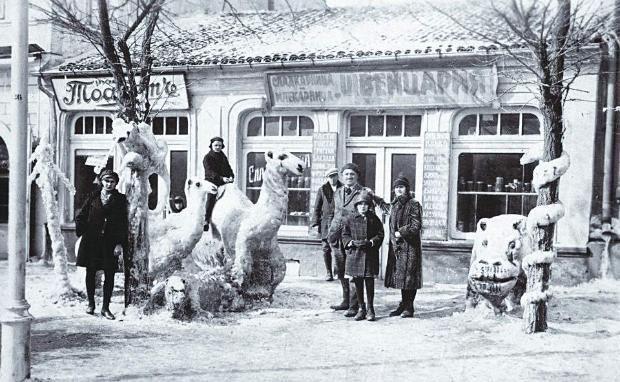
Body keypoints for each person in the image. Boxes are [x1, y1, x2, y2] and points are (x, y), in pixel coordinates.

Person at [327, 162, 387, 317]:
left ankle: (355, 306)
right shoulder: (338, 191)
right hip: (336, 236)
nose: (349, 177)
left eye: (352, 174)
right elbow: (333, 212)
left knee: (355, 272)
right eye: (346, 174)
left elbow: (370, 218)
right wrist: (329, 229)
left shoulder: (364, 193)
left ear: (357, 176)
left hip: (355, 238)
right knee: (341, 270)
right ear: (342, 176)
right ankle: (346, 300)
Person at [75, 169, 128, 320]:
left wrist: (119, 243)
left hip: (110, 243)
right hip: (92, 241)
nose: (109, 184)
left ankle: (105, 307)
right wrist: (83, 232)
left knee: (109, 275)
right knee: (90, 273)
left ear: (116, 183)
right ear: (102, 182)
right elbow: (81, 216)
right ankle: (91, 304)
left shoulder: (120, 199)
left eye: (112, 181)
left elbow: (123, 223)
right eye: (106, 181)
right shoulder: (93, 197)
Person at [341, 191, 384, 321]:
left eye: (366, 204)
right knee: (357, 281)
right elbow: (345, 234)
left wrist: (372, 242)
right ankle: (361, 308)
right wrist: (350, 243)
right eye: (360, 204)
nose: (363, 207)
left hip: (369, 254)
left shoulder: (373, 218)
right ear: (356, 206)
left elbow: (380, 234)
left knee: (369, 281)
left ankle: (371, 309)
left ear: (369, 206)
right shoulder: (350, 219)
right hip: (355, 254)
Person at [384, 175, 423, 318]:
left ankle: (409, 307)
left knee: (410, 277)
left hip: (410, 246)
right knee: (401, 277)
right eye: (396, 187)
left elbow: (416, 225)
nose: (398, 190)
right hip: (398, 247)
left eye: (401, 187)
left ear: (407, 189)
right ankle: (403, 304)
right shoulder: (394, 205)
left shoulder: (413, 204)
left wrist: (401, 232)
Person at [311, 167, 342, 281]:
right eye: (330, 177)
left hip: (339, 222)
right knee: (326, 248)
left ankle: (338, 271)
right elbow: (317, 207)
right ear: (327, 178)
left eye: (335, 176)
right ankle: (329, 272)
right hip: (325, 223)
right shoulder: (322, 189)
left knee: (338, 247)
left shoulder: (343, 188)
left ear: (338, 176)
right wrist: (315, 222)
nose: (333, 179)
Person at [203, 136, 234, 231]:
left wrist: (231, 176)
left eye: (220, 145)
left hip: (223, 182)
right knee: (212, 195)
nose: (218, 147)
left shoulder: (223, 156)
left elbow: (228, 168)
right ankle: (206, 220)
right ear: (211, 146)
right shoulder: (207, 157)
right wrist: (221, 178)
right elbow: (209, 172)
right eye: (216, 145)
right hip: (212, 181)